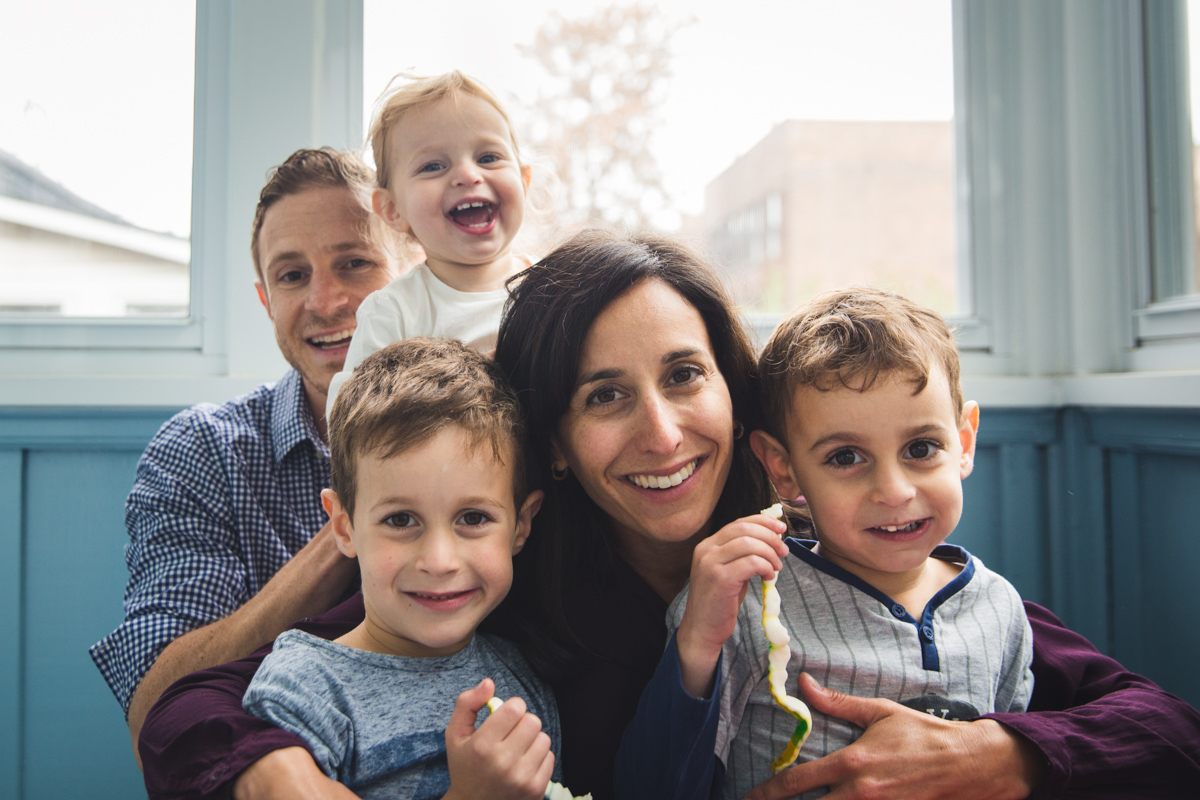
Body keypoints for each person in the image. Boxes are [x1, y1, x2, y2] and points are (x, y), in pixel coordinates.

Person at [138, 230, 1200, 800]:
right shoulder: (490, 567)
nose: (661, 430)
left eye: (686, 374)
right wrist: (271, 771)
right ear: (551, 435)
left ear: (736, 396)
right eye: (605, 394)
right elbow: (192, 711)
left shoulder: (826, 538)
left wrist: (1004, 757)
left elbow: (1158, 725)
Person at [622, 287, 1036, 798]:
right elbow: (652, 787)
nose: (894, 491)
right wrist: (696, 647)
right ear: (784, 468)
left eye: (921, 448)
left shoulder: (1001, 609)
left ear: (964, 442)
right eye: (846, 457)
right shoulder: (741, 602)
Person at [89, 147, 402, 760]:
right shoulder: (202, 452)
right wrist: (359, 520)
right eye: (292, 275)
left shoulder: (495, 427)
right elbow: (155, 704)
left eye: (356, 262)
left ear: (413, 269)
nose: (325, 300)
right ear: (265, 302)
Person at [244, 337, 558, 799]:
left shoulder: (524, 677)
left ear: (521, 525)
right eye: (400, 520)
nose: (438, 561)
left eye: (473, 518)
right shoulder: (302, 690)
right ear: (344, 527)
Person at [324, 70, 533, 417]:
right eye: (433, 166)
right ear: (392, 209)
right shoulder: (394, 313)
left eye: (488, 158)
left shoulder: (557, 287)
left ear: (524, 182)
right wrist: (460, 387)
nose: (468, 175)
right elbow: (348, 421)